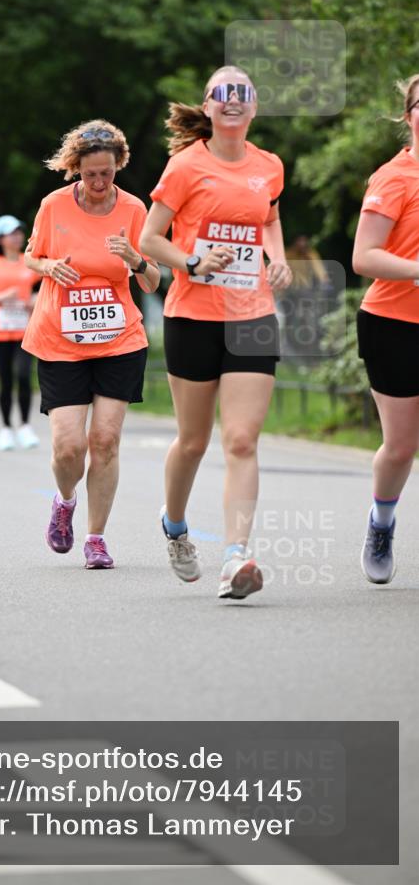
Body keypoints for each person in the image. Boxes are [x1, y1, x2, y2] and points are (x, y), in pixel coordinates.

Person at [139, 67, 292, 599]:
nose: (232, 101)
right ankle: (176, 528)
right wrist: (192, 260)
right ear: (207, 107)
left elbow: (268, 218)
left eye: (242, 93)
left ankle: (235, 557)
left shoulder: (269, 166)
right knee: (193, 440)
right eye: (221, 94)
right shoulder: (185, 166)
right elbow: (149, 238)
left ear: (254, 108)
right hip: (193, 315)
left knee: (242, 439)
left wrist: (277, 257)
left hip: (251, 314)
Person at [23, 119, 160, 569]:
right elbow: (32, 254)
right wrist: (48, 269)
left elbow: (154, 279)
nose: (99, 183)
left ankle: (96, 539)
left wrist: (136, 260)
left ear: (119, 164)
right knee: (69, 448)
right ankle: (64, 501)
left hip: (119, 338)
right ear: (75, 169)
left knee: (105, 440)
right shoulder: (54, 206)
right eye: (89, 174)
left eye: (107, 173)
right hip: (60, 339)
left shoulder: (136, 210)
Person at [352, 73, 419, 584]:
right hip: (395, 323)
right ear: (408, 116)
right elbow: (364, 257)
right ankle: (382, 521)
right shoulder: (394, 178)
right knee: (400, 447)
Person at [0, 215, 42, 451]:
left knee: (23, 375)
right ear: (0, 239)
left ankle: (24, 426)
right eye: (12, 233)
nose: (17, 237)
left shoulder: (30, 261)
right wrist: (4, 296)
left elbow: (39, 293)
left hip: (25, 330)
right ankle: (5, 428)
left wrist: (32, 301)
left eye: (19, 232)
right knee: (6, 380)